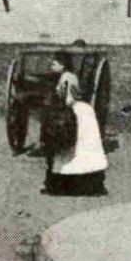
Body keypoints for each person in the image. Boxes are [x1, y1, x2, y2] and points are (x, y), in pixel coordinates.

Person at [41, 51, 108, 196]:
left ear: (62, 65)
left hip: (74, 113)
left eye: (55, 63)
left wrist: (58, 107)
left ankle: (63, 185)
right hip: (84, 111)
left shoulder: (66, 78)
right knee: (84, 151)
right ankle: (86, 184)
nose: (52, 66)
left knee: (69, 148)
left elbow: (69, 100)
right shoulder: (71, 76)